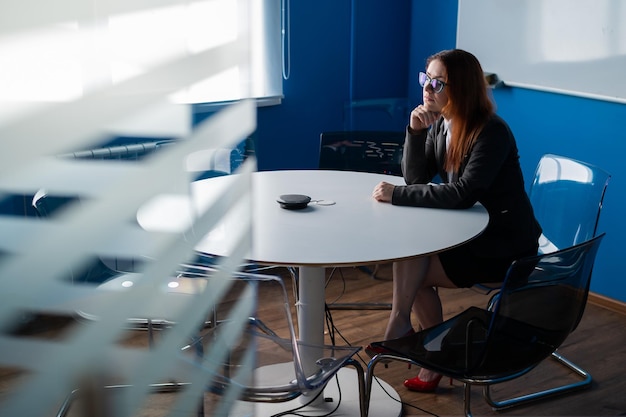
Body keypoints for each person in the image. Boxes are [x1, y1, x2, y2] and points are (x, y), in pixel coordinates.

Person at [367, 49, 542, 392]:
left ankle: (418, 343)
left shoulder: (490, 132)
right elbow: (417, 181)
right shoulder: (441, 124)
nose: (427, 88)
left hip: (504, 246)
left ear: (460, 88)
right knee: (411, 255)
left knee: (413, 270)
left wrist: (395, 194)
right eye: (425, 79)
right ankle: (422, 343)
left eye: (437, 82)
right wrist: (415, 133)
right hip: (470, 235)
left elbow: (462, 194)